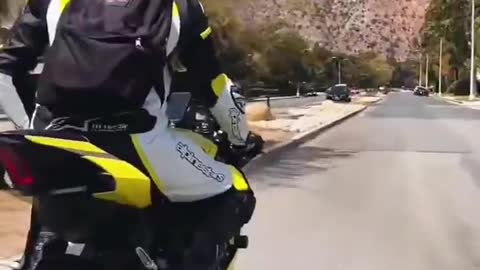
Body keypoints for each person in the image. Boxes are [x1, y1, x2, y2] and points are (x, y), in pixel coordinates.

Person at [0, 0, 262, 269]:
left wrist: (35, 131)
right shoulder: (181, 7)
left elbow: (5, 73)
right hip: (136, 144)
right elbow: (215, 88)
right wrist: (240, 139)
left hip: (56, 144)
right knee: (232, 190)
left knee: (46, 215)